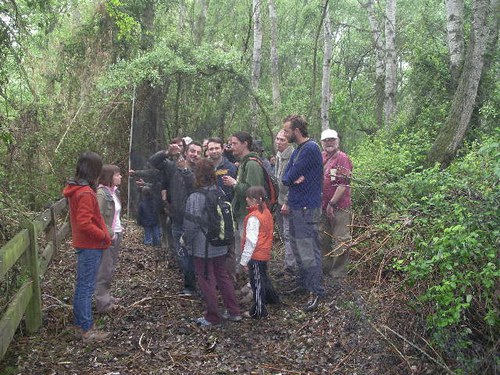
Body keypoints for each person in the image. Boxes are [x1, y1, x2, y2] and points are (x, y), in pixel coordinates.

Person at [183, 158, 242, 326]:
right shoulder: (219, 191)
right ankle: (234, 311)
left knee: (205, 278)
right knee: (222, 276)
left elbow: (191, 224)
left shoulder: (196, 196)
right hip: (220, 243)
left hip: (203, 246)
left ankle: (213, 317)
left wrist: (185, 241)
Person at [63, 152, 111, 342]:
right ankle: (85, 329)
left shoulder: (79, 188)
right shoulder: (84, 192)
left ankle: (80, 324)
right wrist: (102, 236)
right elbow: (84, 222)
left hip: (86, 244)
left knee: (83, 285)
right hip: (90, 245)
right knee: (86, 287)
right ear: (94, 170)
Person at [282, 115, 325, 312]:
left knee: (308, 249)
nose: (285, 134)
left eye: (287, 131)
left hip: (307, 208)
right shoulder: (298, 149)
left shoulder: (310, 148)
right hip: (296, 206)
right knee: (298, 248)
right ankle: (304, 283)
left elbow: (290, 175)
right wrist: (292, 178)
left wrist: (292, 178)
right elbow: (286, 177)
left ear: (297, 131)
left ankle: (315, 291)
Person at [150, 141, 202, 296]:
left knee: (196, 254)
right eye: (192, 151)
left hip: (196, 222)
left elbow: (196, 187)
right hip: (177, 219)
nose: (195, 155)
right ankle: (189, 286)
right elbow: (153, 162)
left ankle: (201, 285)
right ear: (186, 152)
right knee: (182, 254)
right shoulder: (172, 167)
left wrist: (186, 170)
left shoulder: (202, 170)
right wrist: (167, 152)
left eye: (199, 152)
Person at [222, 131, 265, 279]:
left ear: (245, 144)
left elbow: (254, 192)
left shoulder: (252, 164)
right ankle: (248, 282)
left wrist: (235, 184)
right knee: (244, 249)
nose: (231, 147)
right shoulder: (243, 163)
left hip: (250, 215)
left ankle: (255, 286)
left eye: (235, 143)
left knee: (251, 250)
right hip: (242, 214)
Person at [240, 186, 280, 319]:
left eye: (249, 198)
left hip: (256, 255)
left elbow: (251, 241)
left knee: (257, 283)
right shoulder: (266, 213)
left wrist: (244, 260)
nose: (246, 199)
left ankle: (259, 310)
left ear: (256, 200)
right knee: (262, 278)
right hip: (264, 253)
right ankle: (272, 299)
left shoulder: (253, 218)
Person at [319, 129, 353, 282]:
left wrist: (332, 203)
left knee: (341, 239)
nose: (329, 143)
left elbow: (343, 184)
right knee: (323, 238)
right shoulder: (322, 157)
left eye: (332, 139)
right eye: (326, 140)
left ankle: (338, 273)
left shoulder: (342, 158)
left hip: (339, 206)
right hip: (323, 205)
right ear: (322, 142)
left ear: (337, 141)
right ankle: (325, 269)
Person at [94, 164, 123, 314]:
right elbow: (97, 217)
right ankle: (103, 303)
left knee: (110, 268)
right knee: (104, 270)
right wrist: (110, 233)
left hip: (115, 235)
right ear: (109, 177)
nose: (120, 177)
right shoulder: (101, 194)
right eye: (117, 175)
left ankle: (107, 296)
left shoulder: (113, 192)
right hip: (107, 237)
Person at [274, 129, 297, 277]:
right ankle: (289, 264)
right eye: (277, 139)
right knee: (284, 234)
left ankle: (291, 268)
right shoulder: (278, 155)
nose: (279, 142)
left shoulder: (293, 156)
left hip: (289, 203)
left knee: (289, 234)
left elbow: (294, 182)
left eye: (282, 140)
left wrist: (287, 202)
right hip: (279, 201)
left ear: (289, 142)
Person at [206, 137, 237, 202]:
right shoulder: (203, 168)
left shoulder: (231, 168)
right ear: (208, 151)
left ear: (222, 149)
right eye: (211, 149)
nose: (214, 151)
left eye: (217, 148)